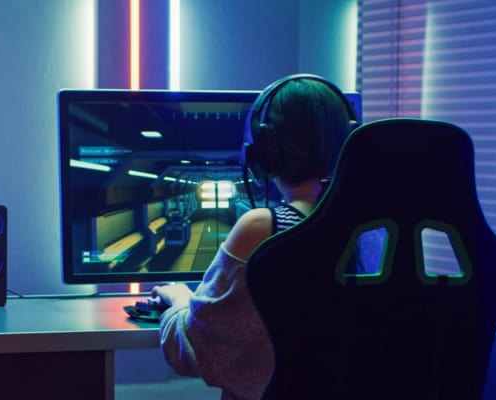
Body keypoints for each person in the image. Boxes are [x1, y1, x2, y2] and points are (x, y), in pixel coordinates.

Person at [151, 74, 357, 400]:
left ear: (264, 153)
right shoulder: (373, 230)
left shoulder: (263, 228)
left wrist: (178, 302)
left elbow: (195, 351)